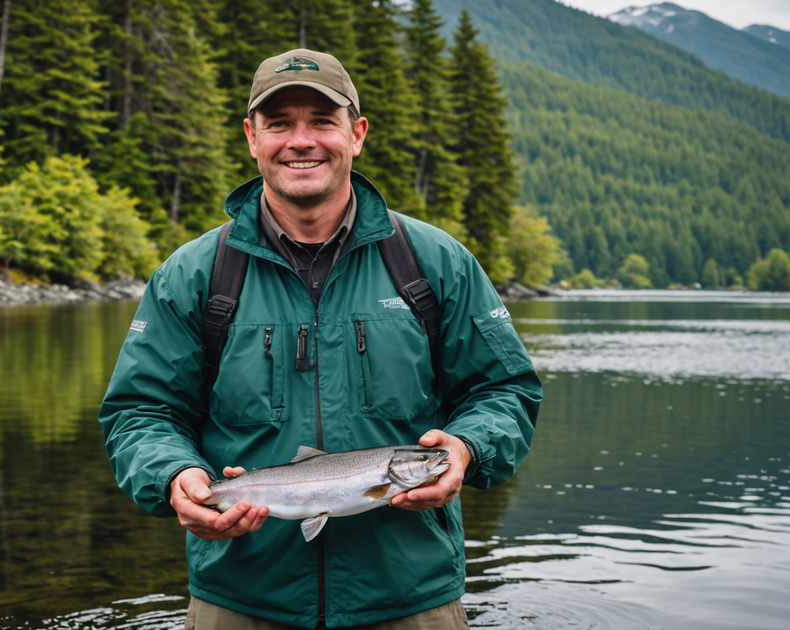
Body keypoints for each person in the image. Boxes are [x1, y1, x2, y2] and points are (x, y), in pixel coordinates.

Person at [99, 48, 542, 629]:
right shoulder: (194, 274)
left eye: (323, 122)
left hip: (411, 597)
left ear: (356, 134)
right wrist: (173, 476)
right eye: (279, 123)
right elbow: (140, 411)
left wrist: (464, 449)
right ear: (252, 138)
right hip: (240, 597)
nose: (300, 141)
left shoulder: (435, 264)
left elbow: (505, 390)